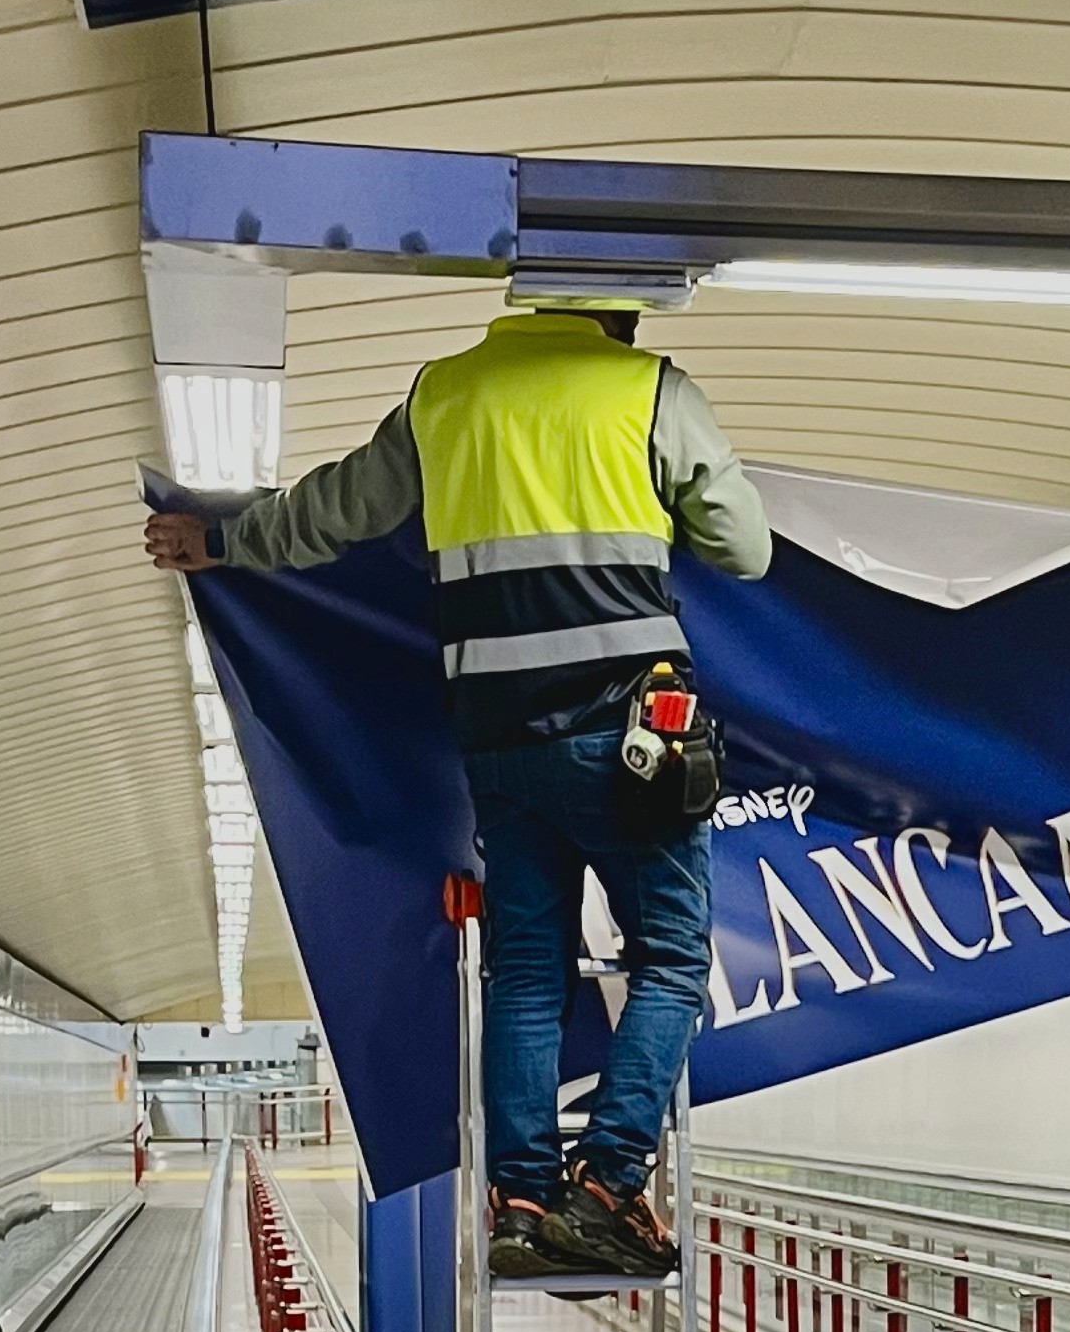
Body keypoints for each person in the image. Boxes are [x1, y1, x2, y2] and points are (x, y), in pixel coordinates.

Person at [144, 298, 771, 1278]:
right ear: (623, 314)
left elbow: (334, 511)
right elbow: (746, 547)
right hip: (628, 734)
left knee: (528, 972)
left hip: (497, 738)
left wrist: (221, 544)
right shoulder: (654, 392)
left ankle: (520, 1202)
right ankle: (606, 1188)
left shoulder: (443, 396)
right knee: (672, 958)